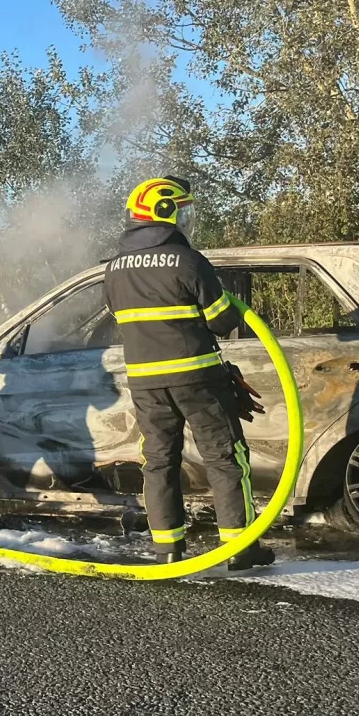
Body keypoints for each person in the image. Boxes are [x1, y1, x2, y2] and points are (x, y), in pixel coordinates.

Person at [104, 176, 275, 570]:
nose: (185, 219)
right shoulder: (187, 260)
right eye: (181, 211)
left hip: (146, 383)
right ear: (164, 212)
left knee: (160, 461)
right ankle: (241, 548)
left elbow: (119, 317)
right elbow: (220, 321)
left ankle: (168, 550)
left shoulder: (113, 269)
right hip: (197, 377)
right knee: (224, 458)